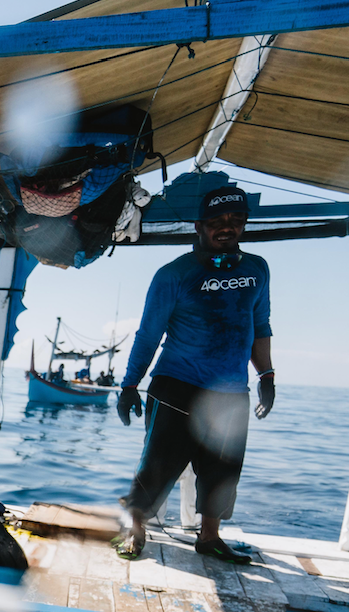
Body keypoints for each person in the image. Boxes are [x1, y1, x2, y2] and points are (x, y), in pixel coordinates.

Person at [114, 185, 276, 564]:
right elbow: (148, 334)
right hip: (176, 384)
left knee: (223, 470)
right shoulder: (173, 274)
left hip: (231, 391)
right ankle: (134, 528)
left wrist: (266, 375)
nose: (227, 228)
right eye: (217, 221)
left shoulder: (257, 269)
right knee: (157, 465)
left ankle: (209, 537)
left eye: (236, 220)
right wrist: (129, 385)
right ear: (199, 227)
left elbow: (261, 324)